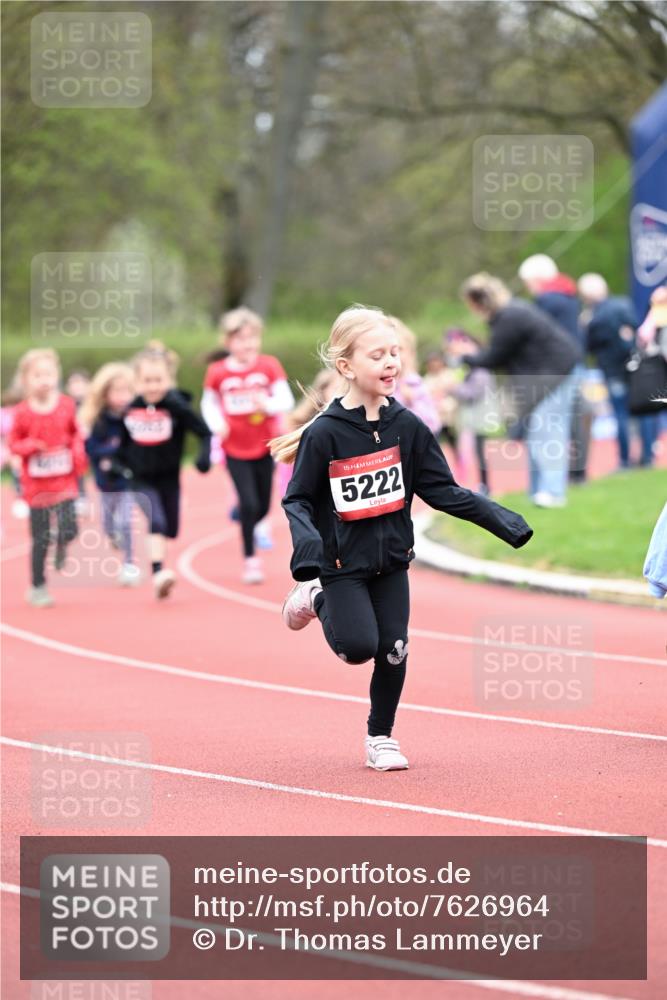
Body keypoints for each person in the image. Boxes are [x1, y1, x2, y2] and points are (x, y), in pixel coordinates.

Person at [272, 305, 533, 771]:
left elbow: (443, 490)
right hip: (339, 565)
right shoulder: (326, 434)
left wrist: (504, 522)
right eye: (377, 355)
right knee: (358, 648)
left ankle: (381, 737)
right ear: (346, 366)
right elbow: (298, 500)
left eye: (394, 353)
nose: (391, 362)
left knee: (394, 650)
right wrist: (308, 551)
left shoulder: (408, 427)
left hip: (392, 559)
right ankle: (315, 597)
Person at [456, 273, 581, 508]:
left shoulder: (510, 317)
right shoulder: (510, 313)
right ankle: (538, 491)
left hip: (557, 373)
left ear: (479, 302)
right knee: (537, 432)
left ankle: (553, 492)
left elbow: (494, 357)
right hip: (547, 375)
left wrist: (464, 358)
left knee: (548, 431)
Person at [202, 307, 295, 584]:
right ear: (228, 341)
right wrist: (217, 423)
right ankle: (250, 560)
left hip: (265, 445)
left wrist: (267, 404)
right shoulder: (217, 372)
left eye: (252, 338)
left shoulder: (269, 366)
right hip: (234, 447)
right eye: (240, 339)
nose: (248, 344)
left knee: (263, 506)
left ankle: (243, 515)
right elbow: (208, 404)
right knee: (249, 503)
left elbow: (286, 399)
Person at [116, 343, 212, 599]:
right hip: (139, 478)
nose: (153, 386)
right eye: (147, 381)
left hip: (169, 478)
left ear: (168, 380)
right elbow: (120, 442)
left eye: (158, 380)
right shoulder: (130, 409)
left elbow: (204, 432)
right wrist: (117, 465)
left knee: (171, 529)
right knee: (155, 521)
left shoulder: (176, 407)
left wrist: (203, 458)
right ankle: (159, 573)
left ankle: (159, 563)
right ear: (137, 382)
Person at [8, 348, 86, 607]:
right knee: (40, 538)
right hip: (37, 487)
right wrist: (30, 446)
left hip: (64, 482)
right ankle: (38, 586)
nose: (44, 380)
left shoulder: (66, 405)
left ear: (57, 376)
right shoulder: (22, 412)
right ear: (25, 380)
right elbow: (13, 444)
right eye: (37, 375)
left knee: (70, 528)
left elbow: (76, 433)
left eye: (49, 374)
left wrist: (77, 452)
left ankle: (62, 544)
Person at [518, 254, 591, 483]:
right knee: (574, 419)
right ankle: (578, 472)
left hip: (557, 368)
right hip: (575, 363)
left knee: (552, 423)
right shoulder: (569, 297)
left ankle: (551, 482)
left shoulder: (547, 301)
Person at [578, 272, 655, 469]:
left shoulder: (593, 317)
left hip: (612, 370)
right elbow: (635, 330)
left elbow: (588, 346)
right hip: (633, 366)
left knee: (621, 414)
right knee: (642, 411)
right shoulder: (622, 304)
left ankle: (624, 459)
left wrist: (586, 326)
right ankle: (647, 456)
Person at [79, 363, 139, 587]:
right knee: (108, 525)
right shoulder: (99, 420)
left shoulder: (134, 416)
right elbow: (90, 448)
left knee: (126, 521)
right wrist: (108, 452)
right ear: (105, 394)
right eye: (117, 391)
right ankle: (114, 537)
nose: (123, 396)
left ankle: (129, 564)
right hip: (105, 483)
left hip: (127, 479)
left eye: (127, 391)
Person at [443, 329, 496, 496]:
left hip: (480, 416)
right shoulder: (468, 366)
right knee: (474, 452)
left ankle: (484, 485)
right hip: (471, 416)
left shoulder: (479, 367)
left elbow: (474, 391)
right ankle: (479, 485)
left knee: (479, 452)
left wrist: (453, 388)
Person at [390, 319, 441, 434]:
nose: (394, 355)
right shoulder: (377, 386)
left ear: (411, 353)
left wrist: (413, 402)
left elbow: (433, 424)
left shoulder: (415, 384)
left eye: (399, 349)